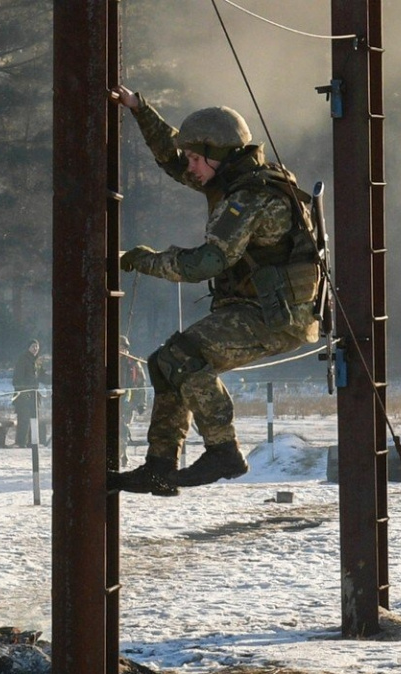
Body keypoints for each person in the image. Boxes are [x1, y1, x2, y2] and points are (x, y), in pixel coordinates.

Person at [108, 85, 321, 497]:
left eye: (195, 159)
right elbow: (174, 157)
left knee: (181, 356)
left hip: (275, 317)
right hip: (261, 308)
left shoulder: (251, 197)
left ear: (215, 154)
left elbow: (206, 263)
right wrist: (139, 110)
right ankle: (159, 466)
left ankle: (223, 450)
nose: (189, 167)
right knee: (163, 363)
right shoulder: (234, 175)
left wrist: (140, 260)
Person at [118, 335, 149, 468]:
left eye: (122, 347)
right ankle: (120, 454)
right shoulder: (108, 361)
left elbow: (141, 384)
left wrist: (142, 403)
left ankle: (121, 454)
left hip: (127, 403)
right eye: (118, 347)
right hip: (110, 402)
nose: (120, 350)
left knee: (122, 429)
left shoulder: (133, 363)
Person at [11, 339, 45, 447]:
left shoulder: (38, 360)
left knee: (35, 418)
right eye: (33, 346)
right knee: (24, 419)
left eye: (37, 347)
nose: (35, 349)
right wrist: (23, 392)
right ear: (28, 348)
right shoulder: (22, 359)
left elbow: (42, 375)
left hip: (34, 394)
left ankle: (33, 442)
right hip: (23, 395)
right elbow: (17, 379)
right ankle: (21, 442)